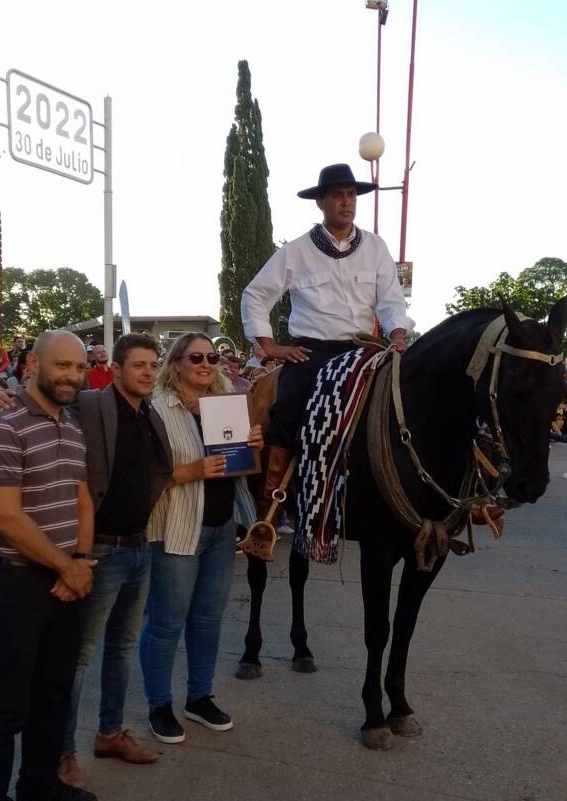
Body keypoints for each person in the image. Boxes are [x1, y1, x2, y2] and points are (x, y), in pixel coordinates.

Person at [0, 330, 98, 801]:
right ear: (33, 364)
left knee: (54, 691)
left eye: (79, 367)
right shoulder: (0, 426)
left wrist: (80, 565)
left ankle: (39, 784)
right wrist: (67, 565)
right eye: (61, 364)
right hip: (11, 582)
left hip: (67, 578)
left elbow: (81, 499)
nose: (71, 374)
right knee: (7, 703)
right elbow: (8, 520)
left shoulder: (70, 425)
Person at [240, 162, 408, 521]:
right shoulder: (297, 250)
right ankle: (269, 509)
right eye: (337, 195)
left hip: (363, 352)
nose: (346, 202)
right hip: (312, 351)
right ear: (321, 202)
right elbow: (255, 295)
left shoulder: (376, 247)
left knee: (402, 403)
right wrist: (269, 345)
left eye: (351, 195)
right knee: (286, 409)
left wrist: (396, 335)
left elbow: (391, 299)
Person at [59, 333, 173, 787]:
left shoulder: (150, 413)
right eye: (139, 365)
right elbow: (49, 414)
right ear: (118, 368)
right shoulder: (88, 406)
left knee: (123, 647)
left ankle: (109, 732)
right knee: (79, 656)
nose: (147, 372)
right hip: (99, 550)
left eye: (152, 364)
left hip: (138, 545)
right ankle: (62, 751)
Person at [139, 332, 262, 743]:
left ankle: (199, 696)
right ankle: (159, 704)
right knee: (166, 623)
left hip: (221, 528)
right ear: (175, 364)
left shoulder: (225, 407)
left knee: (208, 620)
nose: (206, 363)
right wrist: (190, 472)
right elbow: (141, 477)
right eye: (196, 357)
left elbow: (239, 469)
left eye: (212, 356)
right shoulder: (156, 410)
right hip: (176, 528)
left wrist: (252, 447)